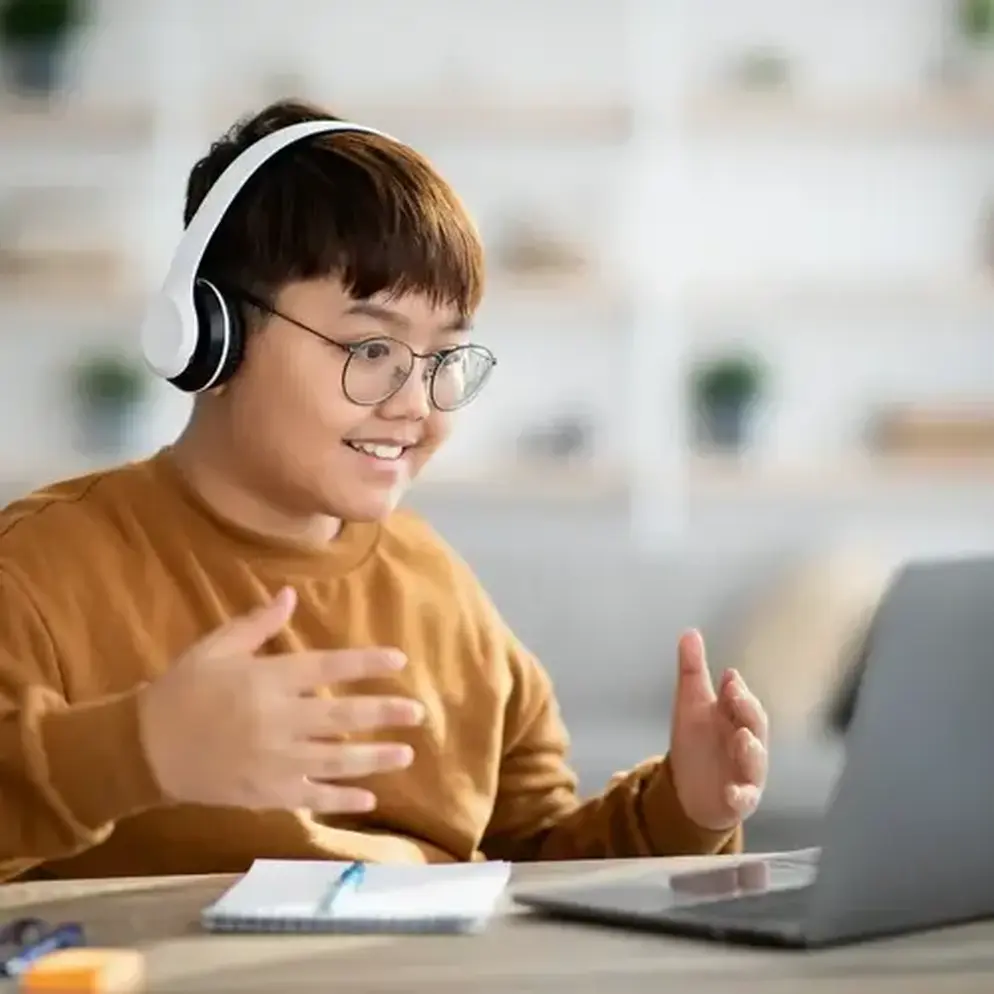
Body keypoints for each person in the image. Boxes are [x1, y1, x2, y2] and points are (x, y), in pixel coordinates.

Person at [0, 100, 769, 882]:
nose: (414, 402)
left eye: (445, 358)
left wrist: (686, 809)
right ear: (210, 333)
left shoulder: (440, 590)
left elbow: (533, 861)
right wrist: (138, 753)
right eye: (371, 346)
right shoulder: (37, 571)